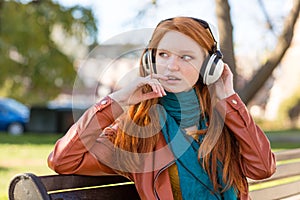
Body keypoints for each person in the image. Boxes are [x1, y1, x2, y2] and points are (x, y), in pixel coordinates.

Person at [48, 16, 276, 200]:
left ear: (208, 68)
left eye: (186, 57)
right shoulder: (136, 132)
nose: (171, 66)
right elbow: (63, 160)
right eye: (163, 55)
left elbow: (262, 168)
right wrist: (117, 101)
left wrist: (229, 100)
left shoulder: (223, 122)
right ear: (150, 60)